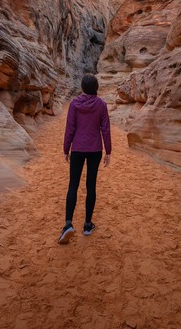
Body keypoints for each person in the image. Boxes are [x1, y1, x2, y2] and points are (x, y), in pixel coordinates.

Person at [58, 74, 111, 244]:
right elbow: (106, 130)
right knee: (91, 186)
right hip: (95, 149)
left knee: (73, 185)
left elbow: (70, 128)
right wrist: (108, 151)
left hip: (78, 149)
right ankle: (87, 225)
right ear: (96, 87)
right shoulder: (101, 105)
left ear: (82, 87)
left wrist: (66, 149)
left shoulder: (74, 104)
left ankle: (68, 225)